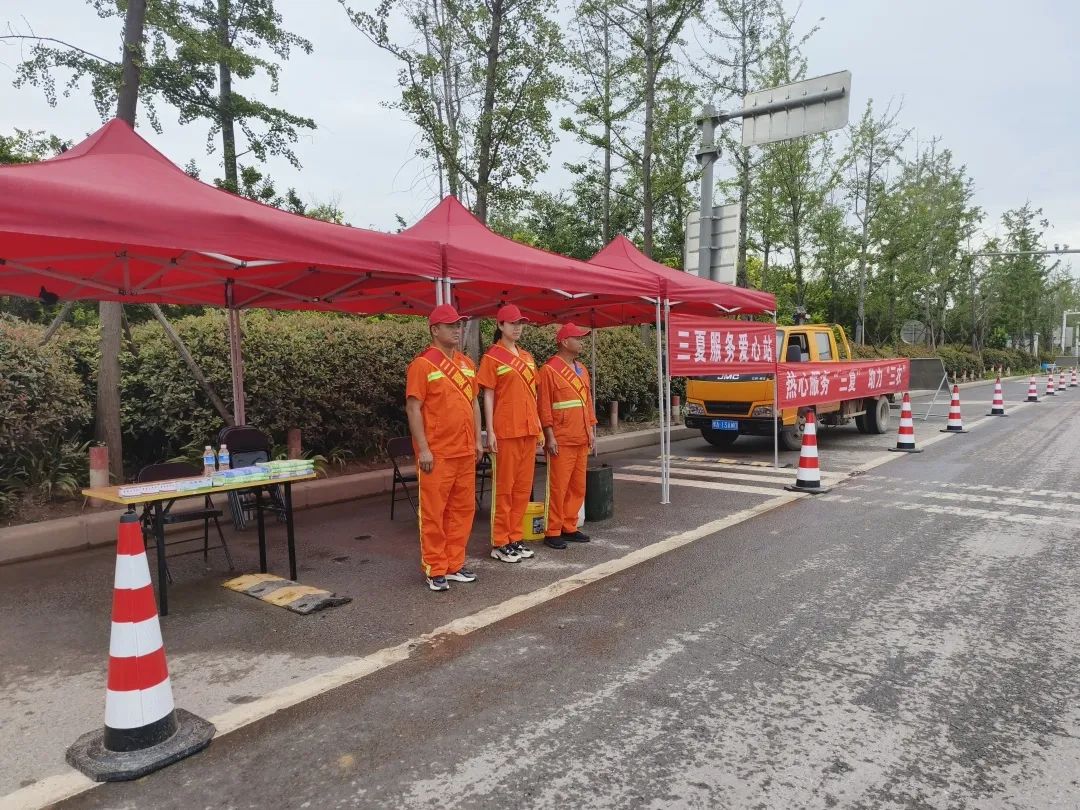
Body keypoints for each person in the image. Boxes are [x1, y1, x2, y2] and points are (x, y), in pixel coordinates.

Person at [405, 304, 484, 592]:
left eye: (458, 325)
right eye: (451, 325)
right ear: (435, 330)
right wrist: (423, 449)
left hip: (464, 451)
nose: (457, 330)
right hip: (437, 454)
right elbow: (413, 408)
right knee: (434, 513)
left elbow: (473, 403)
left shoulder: (467, 364)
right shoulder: (422, 365)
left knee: (462, 510)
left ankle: (454, 564)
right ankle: (435, 567)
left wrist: (477, 440)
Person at [478, 304, 542, 563]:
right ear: (500, 325)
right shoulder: (492, 357)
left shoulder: (527, 357)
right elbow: (488, 395)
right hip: (506, 430)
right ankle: (500, 541)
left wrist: (538, 426)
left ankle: (515, 537)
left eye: (520, 323)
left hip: (528, 429)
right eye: (512, 323)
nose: (517, 328)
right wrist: (490, 431)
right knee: (504, 489)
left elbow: (533, 394)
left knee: (522, 488)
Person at [538, 323, 597, 549]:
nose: (581, 342)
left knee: (577, 486)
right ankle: (552, 530)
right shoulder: (549, 370)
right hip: (561, 438)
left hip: (581, 436)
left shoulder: (582, 369)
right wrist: (549, 436)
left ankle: (569, 526)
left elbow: (587, 402)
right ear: (564, 342)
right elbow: (544, 406)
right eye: (577, 338)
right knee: (558, 487)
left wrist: (591, 430)